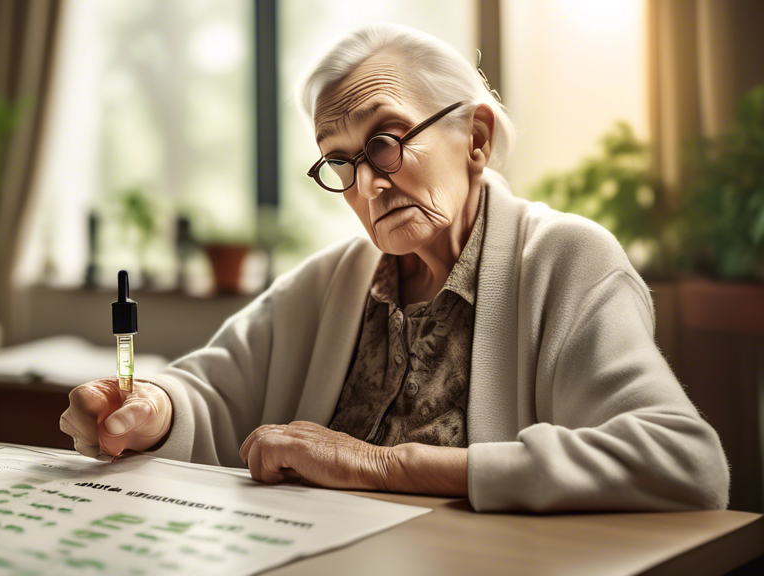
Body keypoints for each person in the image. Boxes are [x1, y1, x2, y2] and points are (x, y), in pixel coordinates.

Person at [60, 23, 729, 513]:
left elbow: (683, 463)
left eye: (384, 142)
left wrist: (382, 465)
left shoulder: (565, 261)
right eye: (340, 161)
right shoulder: (333, 280)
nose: (367, 187)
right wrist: (152, 407)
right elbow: (211, 393)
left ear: (476, 137)